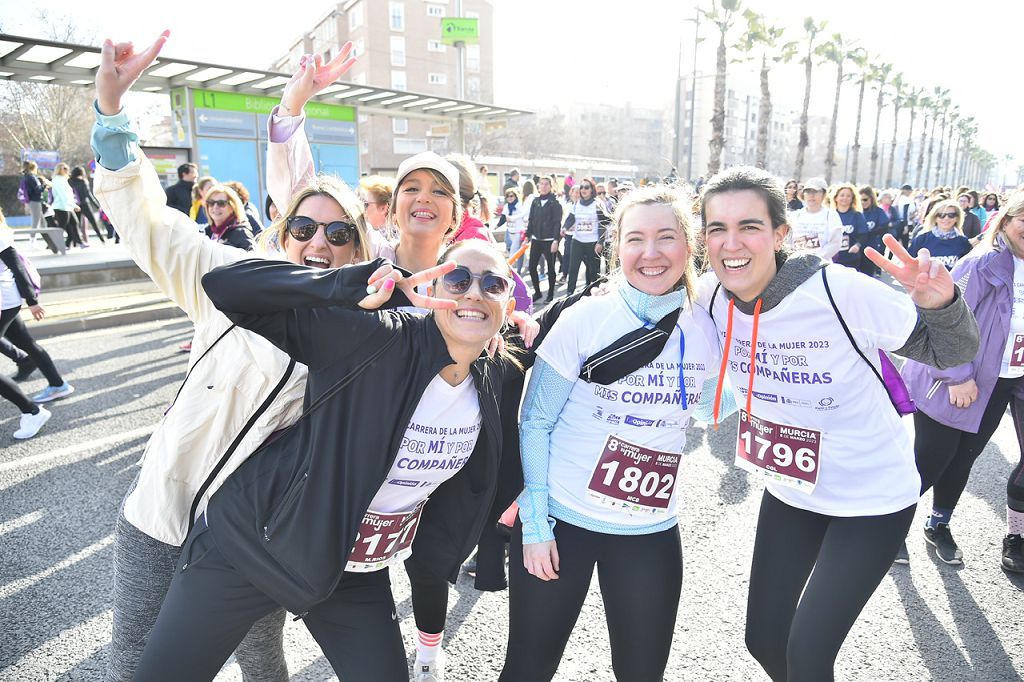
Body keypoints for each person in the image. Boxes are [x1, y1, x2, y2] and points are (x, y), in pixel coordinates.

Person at [91, 32, 371, 681]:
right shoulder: (230, 278)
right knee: (135, 658)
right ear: (282, 232)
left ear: (359, 246)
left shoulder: (365, 330)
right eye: (303, 228)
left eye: (338, 232)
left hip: (252, 537)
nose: (317, 242)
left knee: (259, 654)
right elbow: (144, 219)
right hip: (160, 510)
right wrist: (112, 110)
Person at [133, 237, 519, 681]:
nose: (474, 293)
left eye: (493, 284)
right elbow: (225, 286)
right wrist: (348, 283)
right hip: (254, 546)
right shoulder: (376, 337)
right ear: (431, 290)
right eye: (457, 279)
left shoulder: (494, 375)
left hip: (349, 569)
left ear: (507, 303)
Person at [698, 166, 978, 681]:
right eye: (717, 228)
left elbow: (953, 350)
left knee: (807, 657)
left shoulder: (838, 290)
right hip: (791, 489)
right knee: (763, 641)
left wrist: (944, 306)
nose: (731, 243)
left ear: (781, 234)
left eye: (750, 227)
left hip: (871, 499)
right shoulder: (710, 298)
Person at [500, 185, 722, 682]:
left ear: (689, 245)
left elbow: (708, 409)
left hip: (649, 530)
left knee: (642, 674)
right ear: (615, 246)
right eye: (635, 238)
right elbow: (535, 420)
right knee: (528, 669)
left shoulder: (704, 326)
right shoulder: (585, 317)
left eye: (666, 237)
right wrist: (535, 525)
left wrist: (774, 389)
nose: (650, 253)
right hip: (562, 521)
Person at [901, 192, 1024, 572]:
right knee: (930, 461)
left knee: (963, 459)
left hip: (1002, 384)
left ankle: (938, 524)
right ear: (1005, 222)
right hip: (955, 381)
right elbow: (940, 317)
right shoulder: (983, 264)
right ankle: (885, 529)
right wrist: (956, 377)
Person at [0, 210, 74, 438]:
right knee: (26, 343)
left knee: (26, 343)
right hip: (5, 302)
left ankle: (32, 412)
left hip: (4, 302)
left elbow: (17, 265)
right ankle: (57, 384)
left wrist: (32, 301)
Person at [560, 177, 610, 296]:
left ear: (591, 189)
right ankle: (569, 293)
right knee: (573, 268)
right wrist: (564, 227)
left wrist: (600, 242)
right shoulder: (577, 203)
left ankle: (593, 293)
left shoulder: (597, 204)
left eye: (586, 187)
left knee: (593, 270)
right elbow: (571, 218)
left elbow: (603, 223)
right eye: (581, 187)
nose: (583, 189)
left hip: (592, 242)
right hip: (578, 240)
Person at [526, 175, 563, 303]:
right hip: (536, 240)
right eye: (541, 184)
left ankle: (550, 294)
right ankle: (537, 292)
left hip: (549, 241)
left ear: (551, 186)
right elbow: (531, 220)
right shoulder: (535, 201)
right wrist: (527, 236)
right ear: (538, 186)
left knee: (551, 269)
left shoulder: (555, 203)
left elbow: (557, 223)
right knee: (531, 267)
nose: (543, 186)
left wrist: (556, 240)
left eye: (546, 184)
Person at [787, 177, 843, 260]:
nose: (811, 195)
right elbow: (788, 241)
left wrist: (815, 259)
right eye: (808, 192)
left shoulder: (831, 215)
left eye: (815, 192)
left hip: (821, 265)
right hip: (796, 264)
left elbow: (835, 244)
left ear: (824, 194)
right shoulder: (795, 215)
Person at [908, 199, 973, 270]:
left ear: (957, 218)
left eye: (951, 215)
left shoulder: (963, 242)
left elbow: (966, 270)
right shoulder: (921, 239)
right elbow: (909, 264)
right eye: (941, 215)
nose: (946, 218)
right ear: (935, 218)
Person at [201, 184, 256, 251]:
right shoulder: (206, 232)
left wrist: (228, 249)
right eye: (211, 203)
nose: (215, 207)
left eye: (221, 203)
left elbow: (251, 258)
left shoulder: (241, 233)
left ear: (232, 207)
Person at [829, 182, 870, 270]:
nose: (845, 198)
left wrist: (857, 245)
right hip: (832, 257)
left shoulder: (857, 215)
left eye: (848, 196)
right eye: (842, 195)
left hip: (850, 257)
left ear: (852, 199)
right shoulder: (829, 215)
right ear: (836, 197)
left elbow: (863, 235)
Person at [69, 166, 107, 244]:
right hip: (85, 204)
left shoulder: (69, 182)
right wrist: (97, 205)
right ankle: (101, 239)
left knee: (77, 224)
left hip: (75, 205)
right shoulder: (83, 182)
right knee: (93, 222)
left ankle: (75, 242)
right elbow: (88, 195)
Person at [859, 186, 890, 277]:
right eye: (860, 199)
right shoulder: (856, 212)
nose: (862, 202)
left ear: (871, 199)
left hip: (870, 249)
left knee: (867, 277)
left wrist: (867, 233)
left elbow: (884, 227)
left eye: (865, 199)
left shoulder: (878, 212)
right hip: (855, 251)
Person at [50, 163, 83, 248]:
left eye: (66, 168)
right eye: (63, 168)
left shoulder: (63, 179)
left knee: (74, 223)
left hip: (67, 206)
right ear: (59, 169)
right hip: (61, 207)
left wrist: (72, 205)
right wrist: (74, 205)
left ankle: (75, 243)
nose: (66, 170)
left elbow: (68, 195)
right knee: (62, 227)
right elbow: (63, 195)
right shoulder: (57, 180)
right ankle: (56, 244)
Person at [498, 186, 528, 274]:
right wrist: (497, 226)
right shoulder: (507, 206)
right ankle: (527, 263)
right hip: (510, 231)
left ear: (515, 196)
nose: (510, 198)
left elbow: (523, 215)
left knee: (513, 250)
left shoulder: (519, 205)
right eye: (508, 196)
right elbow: (503, 217)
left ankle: (508, 269)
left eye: (512, 196)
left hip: (518, 231)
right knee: (520, 250)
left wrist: (512, 218)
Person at [20, 160, 49, 237]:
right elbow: (38, 190)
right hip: (35, 201)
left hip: (33, 201)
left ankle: (49, 241)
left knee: (43, 223)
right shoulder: (31, 177)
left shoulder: (26, 176)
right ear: (33, 168)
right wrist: (44, 185)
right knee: (36, 222)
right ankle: (32, 241)